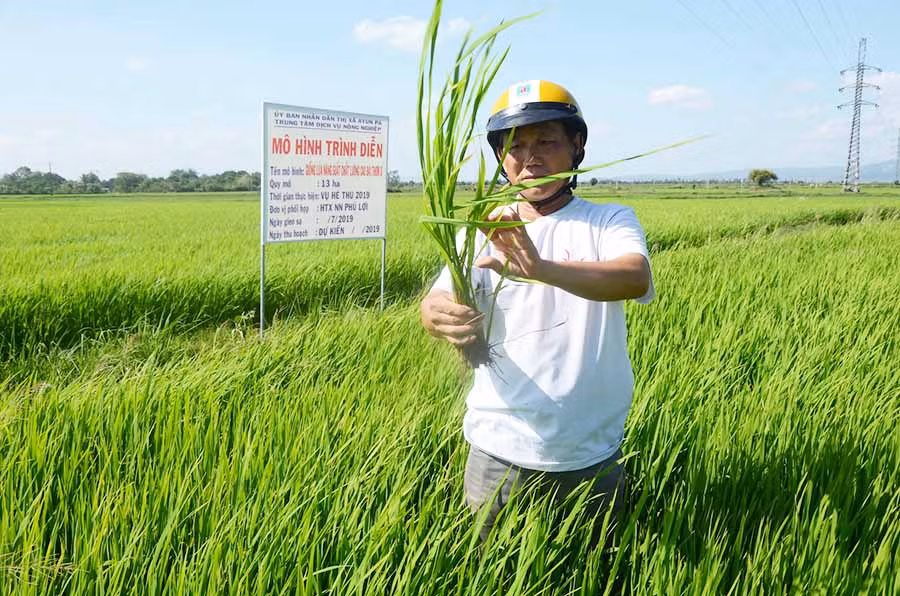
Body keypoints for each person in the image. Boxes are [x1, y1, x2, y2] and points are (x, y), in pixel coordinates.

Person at [421, 79, 655, 544]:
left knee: (595, 569)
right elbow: (434, 301)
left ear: (576, 145)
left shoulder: (609, 220)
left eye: (546, 140)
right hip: (496, 447)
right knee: (490, 571)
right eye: (514, 144)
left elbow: (634, 277)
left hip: (589, 450)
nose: (530, 156)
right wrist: (435, 314)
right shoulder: (478, 230)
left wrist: (541, 268)